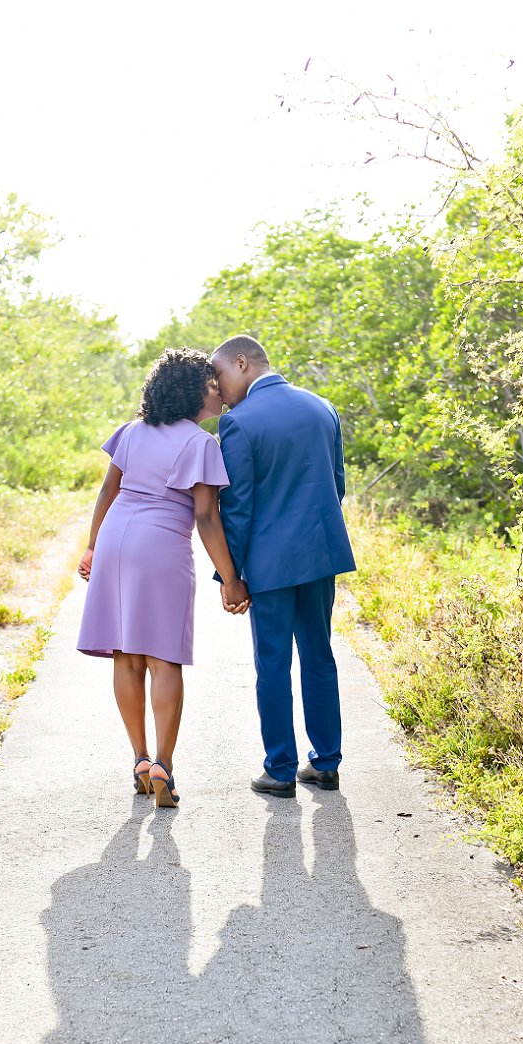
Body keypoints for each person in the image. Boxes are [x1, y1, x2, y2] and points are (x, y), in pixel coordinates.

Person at [77, 349, 249, 808]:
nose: (219, 391)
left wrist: (93, 546)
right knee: (163, 656)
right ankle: (164, 768)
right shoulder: (200, 444)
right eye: (212, 384)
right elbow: (206, 518)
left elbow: (108, 491)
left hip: (115, 539)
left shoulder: (133, 431)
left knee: (126, 654)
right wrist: (230, 579)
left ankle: (139, 758)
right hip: (160, 546)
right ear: (194, 392)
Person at [209, 335, 357, 797]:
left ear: (242, 363)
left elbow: (236, 509)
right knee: (318, 655)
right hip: (319, 556)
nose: (218, 389)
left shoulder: (238, 424)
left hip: (268, 565)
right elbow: (337, 485)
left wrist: (230, 577)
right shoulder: (322, 407)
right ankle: (326, 764)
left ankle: (279, 769)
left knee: (272, 663)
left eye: (220, 376)